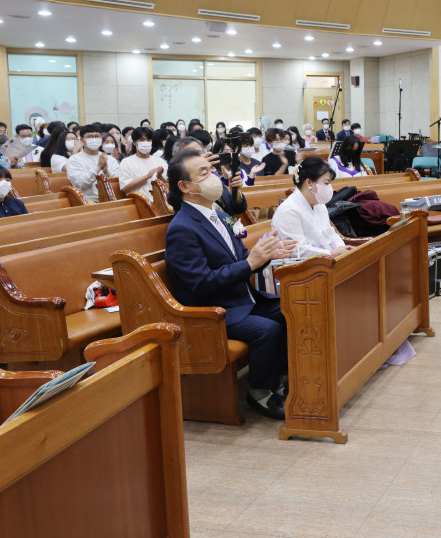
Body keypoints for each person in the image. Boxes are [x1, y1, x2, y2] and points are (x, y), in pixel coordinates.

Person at [164, 148, 296, 419]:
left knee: (292, 310)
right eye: (203, 172)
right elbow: (201, 283)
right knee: (267, 329)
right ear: (185, 186)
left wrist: (265, 256)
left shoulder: (216, 214)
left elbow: (244, 259)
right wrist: (251, 263)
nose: (213, 176)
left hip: (241, 299)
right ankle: (260, 392)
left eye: (211, 170)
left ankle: (281, 380)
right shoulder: (182, 228)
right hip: (214, 310)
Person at [271, 158, 354, 259]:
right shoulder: (288, 210)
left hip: (326, 259)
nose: (329, 188)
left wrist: (341, 248)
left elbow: (330, 233)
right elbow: (297, 251)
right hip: (301, 265)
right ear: (309, 182)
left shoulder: (318, 204)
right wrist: (332, 253)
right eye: (326, 183)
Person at [66, 124, 119, 202]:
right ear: (82, 140)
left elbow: (119, 179)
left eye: (97, 136)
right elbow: (80, 183)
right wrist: (98, 168)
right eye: (90, 137)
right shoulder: (74, 159)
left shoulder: (109, 158)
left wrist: (107, 172)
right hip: (88, 199)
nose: (94, 139)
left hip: (112, 198)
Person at [119, 127, 167, 196]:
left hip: (160, 199)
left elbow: (168, 185)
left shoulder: (160, 161)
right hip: (139, 200)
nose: (146, 142)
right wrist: (146, 177)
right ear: (134, 143)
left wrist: (160, 176)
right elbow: (124, 188)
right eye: (142, 140)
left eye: (148, 140)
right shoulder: (126, 162)